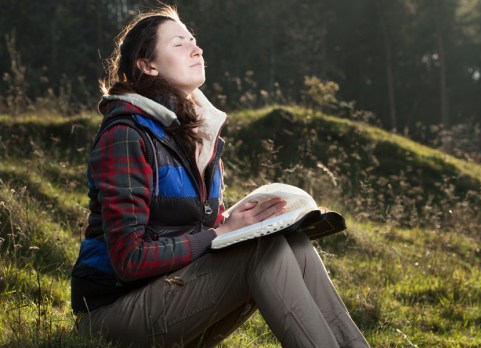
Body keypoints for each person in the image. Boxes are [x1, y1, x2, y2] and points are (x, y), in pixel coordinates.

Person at [70, 5, 369, 348]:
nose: (196, 49)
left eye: (194, 41)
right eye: (179, 44)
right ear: (147, 64)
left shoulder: (200, 136)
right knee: (261, 252)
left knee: (292, 241)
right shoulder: (126, 135)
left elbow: (191, 227)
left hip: (174, 295)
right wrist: (221, 232)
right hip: (114, 316)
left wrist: (242, 221)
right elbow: (130, 259)